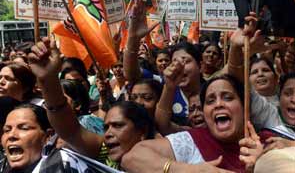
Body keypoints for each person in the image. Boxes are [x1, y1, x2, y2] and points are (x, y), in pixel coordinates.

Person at [28, 37, 155, 167]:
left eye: (118, 126)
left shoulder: (165, 159)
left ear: (142, 132)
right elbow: (70, 131)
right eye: (106, 127)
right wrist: (48, 79)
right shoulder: (106, 154)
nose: (108, 134)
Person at [121, 75, 263, 173]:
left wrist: (264, 164)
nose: (218, 104)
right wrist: (189, 170)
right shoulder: (192, 140)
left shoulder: (271, 143)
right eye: (210, 101)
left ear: (246, 108)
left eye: (228, 98)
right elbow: (131, 158)